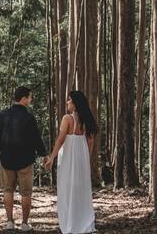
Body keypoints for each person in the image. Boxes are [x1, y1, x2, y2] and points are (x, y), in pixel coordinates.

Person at [44, 90, 96, 234]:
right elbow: (91, 141)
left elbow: (60, 140)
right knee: (81, 188)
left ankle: (70, 222)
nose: (67, 102)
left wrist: (52, 157)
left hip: (69, 157)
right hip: (82, 157)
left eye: (69, 100)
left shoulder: (67, 118)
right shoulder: (87, 119)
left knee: (67, 187)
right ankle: (82, 221)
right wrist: (87, 158)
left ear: (75, 103)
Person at [0, 85, 48, 231]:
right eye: (30, 97)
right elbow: (36, 138)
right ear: (24, 98)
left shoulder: (3, 114)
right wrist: (44, 154)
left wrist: (1, 151)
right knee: (26, 192)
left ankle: (9, 222)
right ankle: (25, 224)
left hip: (7, 158)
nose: (31, 100)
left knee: (8, 190)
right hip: (25, 160)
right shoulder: (28, 117)